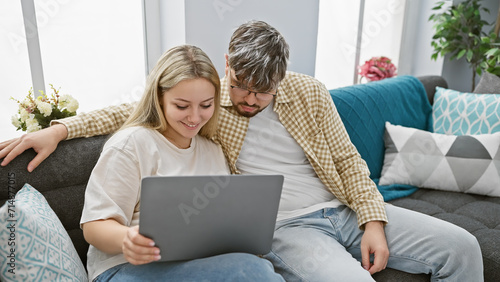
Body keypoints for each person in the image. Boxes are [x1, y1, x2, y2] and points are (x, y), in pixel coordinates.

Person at [0, 21, 483, 281]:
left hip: (342, 208)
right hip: (284, 229)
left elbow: (348, 162)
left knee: (464, 249)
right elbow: (136, 110)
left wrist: (372, 219)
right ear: (227, 65)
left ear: (283, 78)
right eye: (242, 86)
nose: (249, 99)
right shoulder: (209, 106)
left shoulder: (308, 94)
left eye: (264, 91)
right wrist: (60, 129)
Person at [77, 45, 283, 281]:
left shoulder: (213, 151)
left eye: (206, 105)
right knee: (252, 273)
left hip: (194, 263)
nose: (195, 118)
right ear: (159, 98)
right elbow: (95, 225)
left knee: (255, 267)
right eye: (182, 106)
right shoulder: (131, 145)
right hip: (124, 267)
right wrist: (126, 238)